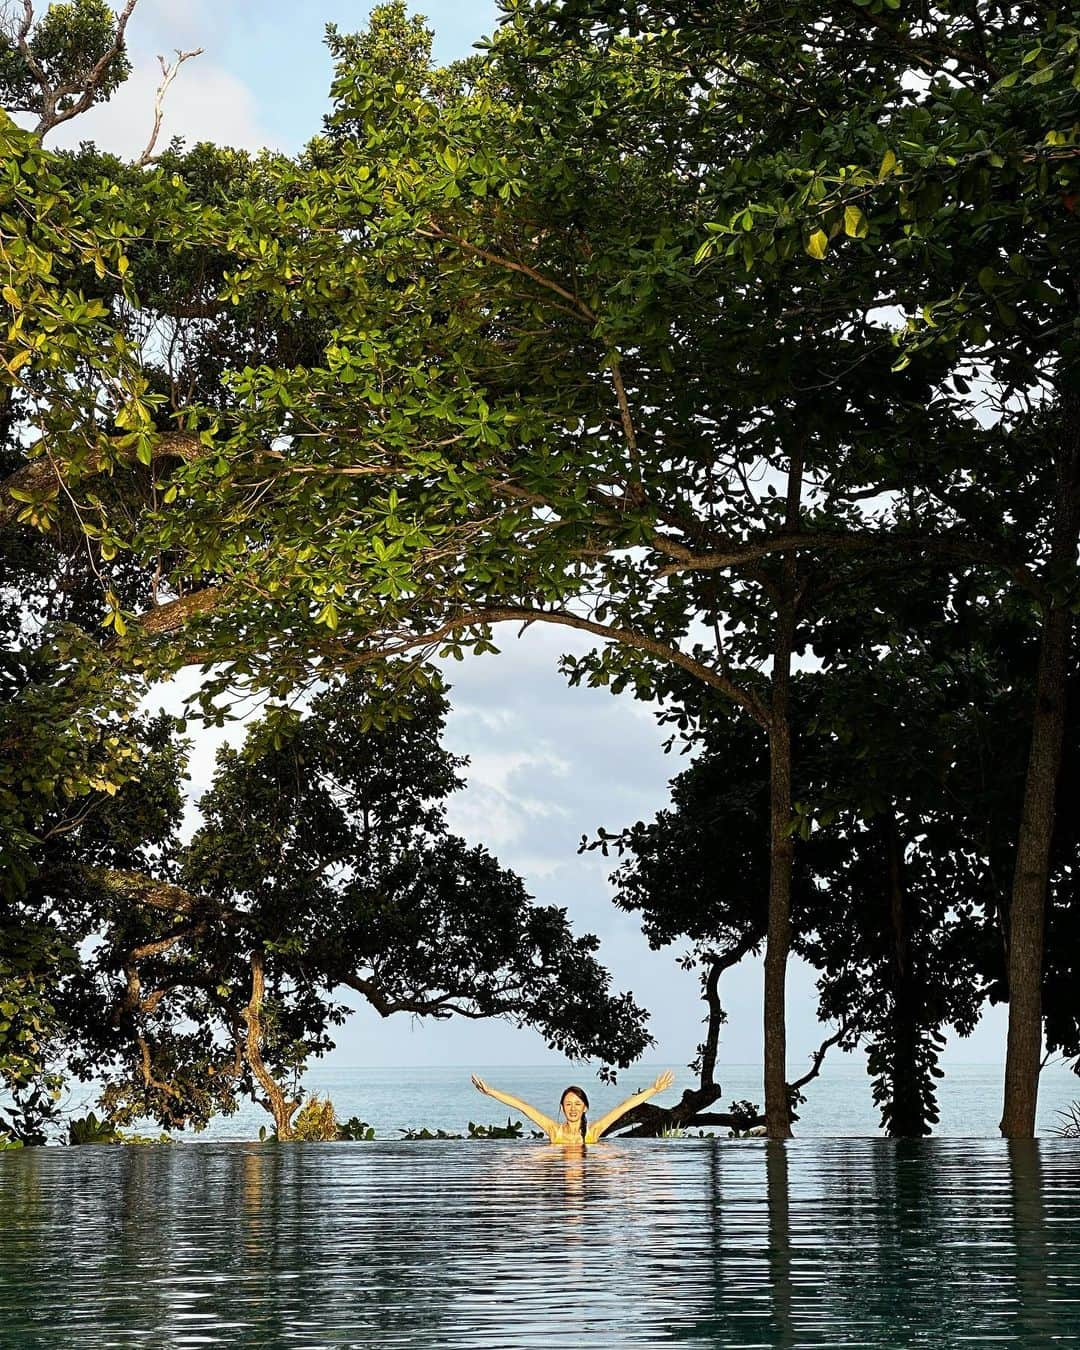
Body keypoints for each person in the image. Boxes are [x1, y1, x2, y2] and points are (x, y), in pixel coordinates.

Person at [470, 1070, 675, 1144]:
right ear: (562, 1107)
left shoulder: (592, 1133)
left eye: (577, 1104)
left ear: (585, 1107)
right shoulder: (554, 1131)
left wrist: (654, 1089)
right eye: (568, 1104)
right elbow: (523, 1106)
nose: (573, 1108)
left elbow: (623, 1107)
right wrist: (491, 1092)